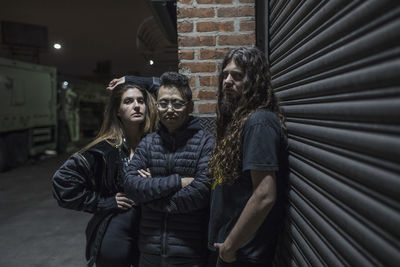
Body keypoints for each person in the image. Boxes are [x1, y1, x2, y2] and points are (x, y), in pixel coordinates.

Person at [52, 79, 158, 267]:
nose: (136, 106)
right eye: (128, 101)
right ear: (117, 111)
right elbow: (62, 182)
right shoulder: (105, 149)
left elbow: (166, 86)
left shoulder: (154, 144)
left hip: (150, 231)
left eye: (141, 101)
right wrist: (105, 202)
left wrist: (129, 79)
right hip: (117, 232)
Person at [123, 71, 215, 267]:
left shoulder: (205, 143)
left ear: (190, 106)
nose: (169, 109)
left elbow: (202, 192)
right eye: (163, 103)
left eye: (177, 103)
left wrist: (149, 198)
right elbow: (131, 185)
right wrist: (178, 182)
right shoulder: (148, 143)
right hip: (149, 252)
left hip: (189, 253)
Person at [208, 46, 289, 267]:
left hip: (244, 255)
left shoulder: (259, 122)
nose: (227, 81)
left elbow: (264, 194)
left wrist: (230, 246)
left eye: (237, 76)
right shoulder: (240, 123)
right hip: (235, 252)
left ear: (255, 82)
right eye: (225, 74)